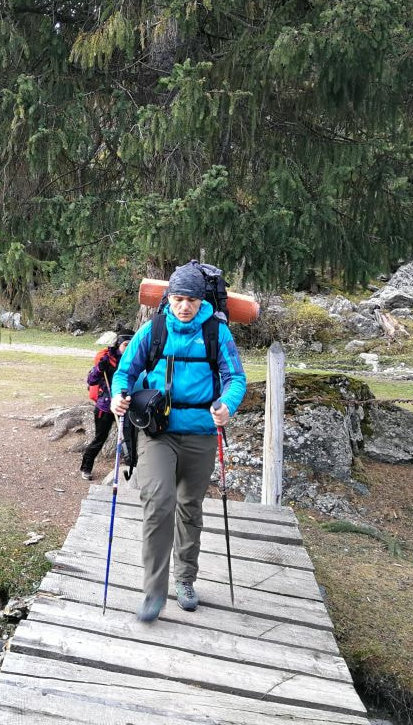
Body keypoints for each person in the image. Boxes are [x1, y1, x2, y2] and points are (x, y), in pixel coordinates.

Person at [111, 262, 246, 623]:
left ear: (201, 301)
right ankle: (154, 593)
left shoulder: (217, 332)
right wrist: (118, 395)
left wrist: (226, 406)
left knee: (190, 507)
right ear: (169, 298)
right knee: (158, 502)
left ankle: (185, 580)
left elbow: (235, 378)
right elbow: (125, 372)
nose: (183, 306)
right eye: (178, 298)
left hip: (202, 432)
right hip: (159, 431)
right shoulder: (153, 330)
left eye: (191, 299)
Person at [80, 333, 133, 480]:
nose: (128, 348)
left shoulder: (136, 359)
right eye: (126, 344)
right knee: (100, 438)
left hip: (126, 406)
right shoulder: (107, 359)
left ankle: (131, 471)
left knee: (129, 440)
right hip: (105, 406)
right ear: (118, 345)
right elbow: (91, 380)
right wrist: (99, 369)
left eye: (131, 344)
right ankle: (86, 468)